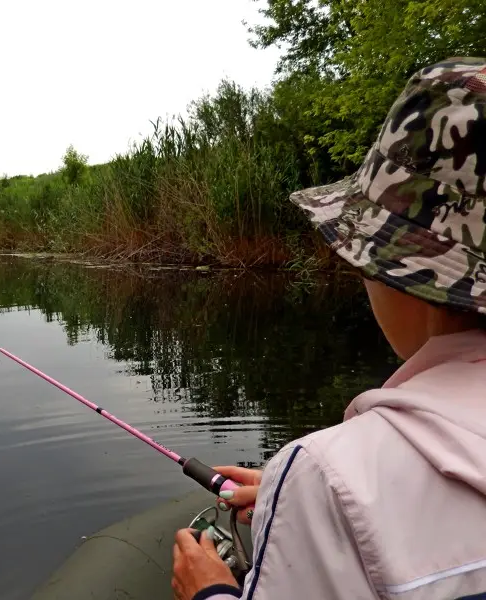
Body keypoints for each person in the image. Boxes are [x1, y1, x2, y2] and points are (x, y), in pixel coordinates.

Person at [172, 56, 486, 600]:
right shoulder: (322, 479)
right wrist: (286, 496)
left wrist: (210, 593)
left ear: (400, 272)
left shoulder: (329, 472)